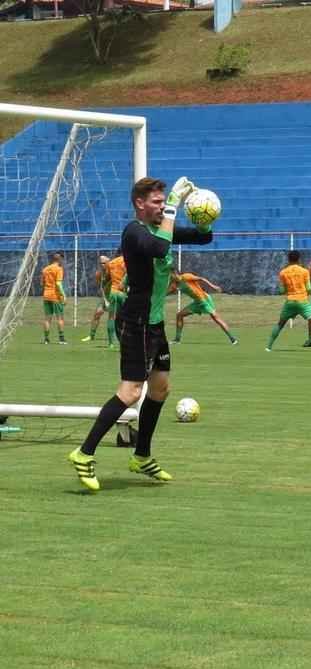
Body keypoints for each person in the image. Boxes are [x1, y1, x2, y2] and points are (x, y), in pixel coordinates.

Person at [67, 177, 213, 492]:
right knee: (132, 392)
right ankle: (84, 452)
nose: (162, 207)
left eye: (164, 202)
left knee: (160, 389)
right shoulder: (135, 232)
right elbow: (160, 247)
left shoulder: (161, 227)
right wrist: (174, 204)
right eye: (157, 203)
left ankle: (142, 455)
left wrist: (203, 213)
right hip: (136, 322)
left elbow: (204, 238)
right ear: (140, 204)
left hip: (155, 323)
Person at [266, 250, 311, 353]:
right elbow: (309, 288)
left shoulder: (283, 272)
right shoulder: (304, 271)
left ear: (288, 259)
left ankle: (269, 347)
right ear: (298, 259)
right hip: (302, 301)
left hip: (290, 302)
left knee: (280, 324)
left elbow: (281, 290)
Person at [169, 270, 238, 345]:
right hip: (197, 303)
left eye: (170, 274)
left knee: (216, 318)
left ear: (175, 273)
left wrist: (213, 287)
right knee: (179, 315)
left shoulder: (186, 277)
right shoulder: (175, 284)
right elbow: (170, 291)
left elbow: (202, 279)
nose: (169, 276)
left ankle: (233, 339)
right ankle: (177, 339)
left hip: (204, 300)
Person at [81, 255, 112, 343]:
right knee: (97, 314)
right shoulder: (98, 274)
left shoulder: (113, 271)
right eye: (100, 263)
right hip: (105, 297)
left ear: (108, 263)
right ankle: (91, 335)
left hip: (114, 297)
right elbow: (101, 287)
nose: (102, 265)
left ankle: (115, 337)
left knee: (113, 318)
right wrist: (105, 300)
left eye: (104, 263)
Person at [41, 251, 66, 344]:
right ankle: (61, 339)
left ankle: (46, 339)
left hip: (46, 295)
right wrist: (63, 295)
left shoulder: (45, 269)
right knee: (60, 318)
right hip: (55, 296)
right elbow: (58, 283)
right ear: (60, 259)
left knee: (47, 318)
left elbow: (42, 284)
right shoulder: (59, 269)